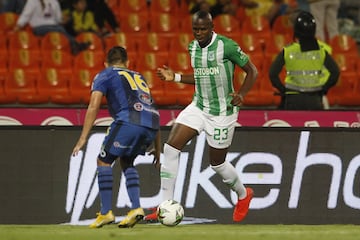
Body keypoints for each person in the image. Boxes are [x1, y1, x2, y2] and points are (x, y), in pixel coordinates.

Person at [144, 10, 258, 223]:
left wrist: (241, 94)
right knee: (170, 148)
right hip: (199, 106)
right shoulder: (193, 47)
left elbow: (252, 71)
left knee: (217, 164)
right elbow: (201, 77)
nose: (199, 33)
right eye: (195, 29)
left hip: (222, 112)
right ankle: (164, 205)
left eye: (203, 28)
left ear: (211, 27)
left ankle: (243, 194)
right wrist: (175, 76)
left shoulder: (227, 46)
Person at [72, 46, 161, 228]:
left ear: (106, 63)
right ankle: (136, 208)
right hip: (152, 124)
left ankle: (106, 213)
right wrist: (158, 149)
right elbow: (152, 109)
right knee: (126, 160)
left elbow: (93, 106)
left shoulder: (104, 74)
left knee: (103, 161)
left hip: (129, 122)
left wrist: (82, 138)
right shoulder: (139, 76)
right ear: (127, 63)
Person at [268, 11, 340, 110]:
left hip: (293, 98)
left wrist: (283, 90)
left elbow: (272, 73)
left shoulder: (288, 51)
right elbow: (335, 72)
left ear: (296, 30)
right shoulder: (321, 51)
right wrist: (324, 89)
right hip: (314, 98)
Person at [13, 0, 91, 55]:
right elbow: (26, 15)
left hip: (54, 26)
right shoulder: (33, 1)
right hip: (38, 28)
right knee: (59, 29)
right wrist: (18, 26)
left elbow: (58, 19)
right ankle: (75, 43)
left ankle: (75, 44)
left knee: (60, 29)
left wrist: (65, 20)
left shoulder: (54, 1)